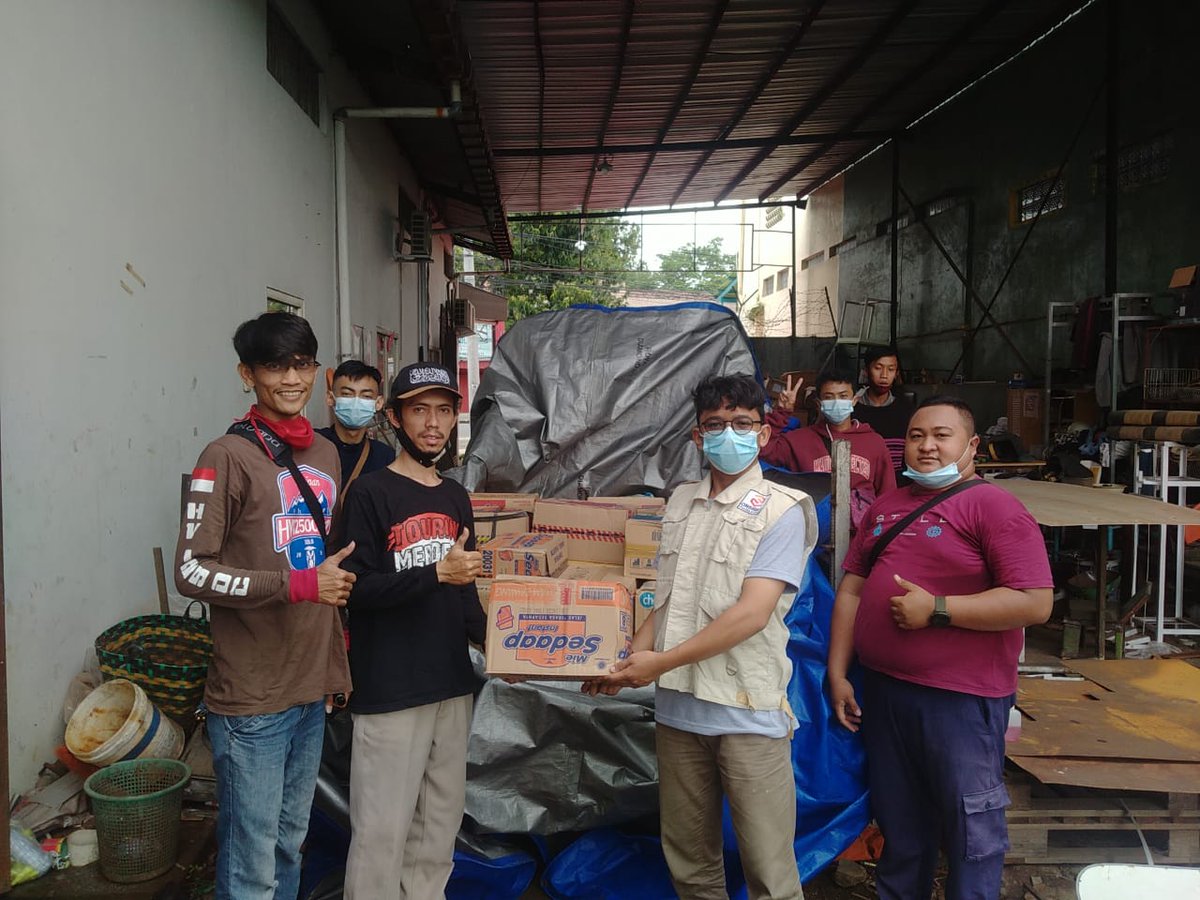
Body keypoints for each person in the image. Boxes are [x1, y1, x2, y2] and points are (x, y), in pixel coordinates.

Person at [591, 373, 817, 900]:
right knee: (691, 864)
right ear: (697, 436)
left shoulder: (782, 509)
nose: (728, 434)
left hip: (745, 711)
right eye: (715, 425)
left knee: (769, 871)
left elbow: (751, 615)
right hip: (679, 713)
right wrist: (625, 662)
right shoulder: (680, 502)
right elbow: (666, 601)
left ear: (763, 433)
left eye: (742, 423)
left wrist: (660, 663)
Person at [827, 396, 1053, 900]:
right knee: (900, 823)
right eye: (916, 436)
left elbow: (1035, 602)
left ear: (972, 445)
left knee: (971, 829)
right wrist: (838, 672)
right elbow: (852, 590)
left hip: (959, 700)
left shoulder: (994, 507)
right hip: (884, 693)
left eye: (941, 435)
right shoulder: (886, 507)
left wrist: (940, 609)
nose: (926, 446)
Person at [174, 311, 354, 900]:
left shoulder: (325, 453)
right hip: (252, 698)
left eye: (302, 364)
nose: (291, 379)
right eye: (275, 366)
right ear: (247, 374)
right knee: (250, 860)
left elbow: (326, 574)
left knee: (289, 842)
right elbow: (191, 571)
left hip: (308, 688)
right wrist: (294, 586)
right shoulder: (224, 455)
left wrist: (333, 669)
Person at [339, 362, 486, 900]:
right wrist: (435, 574)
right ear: (396, 419)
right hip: (392, 688)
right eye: (419, 410)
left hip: (451, 684)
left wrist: (502, 648)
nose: (433, 423)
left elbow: (464, 590)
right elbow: (353, 589)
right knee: (381, 833)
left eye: (443, 411)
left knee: (437, 829)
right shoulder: (369, 494)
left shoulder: (455, 497)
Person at [761, 369, 895, 528]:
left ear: (854, 400)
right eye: (829, 397)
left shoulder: (874, 442)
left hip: (860, 534)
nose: (837, 402)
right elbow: (763, 450)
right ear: (819, 404)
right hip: (813, 532)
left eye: (843, 396)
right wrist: (781, 412)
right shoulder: (798, 440)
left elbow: (888, 496)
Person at [317, 359, 395, 493]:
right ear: (330, 398)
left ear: (378, 403)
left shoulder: (385, 457)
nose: (356, 402)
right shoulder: (314, 446)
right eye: (347, 394)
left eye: (366, 396)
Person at [853, 347, 915, 481]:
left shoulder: (906, 410)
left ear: (896, 374)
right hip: (860, 483)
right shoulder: (852, 409)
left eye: (891, 369)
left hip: (897, 483)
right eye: (878, 368)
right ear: (866, 370)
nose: (884, 375)